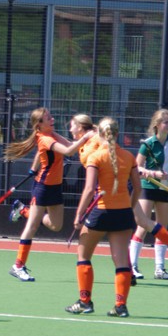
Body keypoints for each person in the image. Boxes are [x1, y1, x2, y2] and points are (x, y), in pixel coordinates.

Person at [68, 114, 168, 286]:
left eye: (72, 126)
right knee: (139, 224)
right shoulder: (86, 142)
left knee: (138, 225)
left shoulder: (95, 140)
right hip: (113, 193)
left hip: (115, 193)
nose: (69, 130)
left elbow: (72, 152)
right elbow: (69, 148)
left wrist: (149, 173)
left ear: (81, 127)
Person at [3, 107, 93, 282]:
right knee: (32, 227)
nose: (52, 120)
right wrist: (85, 138)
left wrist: (33, 168)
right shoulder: (45, 138)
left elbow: (68, 145)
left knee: (56, 225)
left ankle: (23, 210)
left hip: (55, 187)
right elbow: (68, 152)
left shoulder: (50, 134)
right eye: (48, 118)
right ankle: (18, 266)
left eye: (51, 117)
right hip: (43, 187)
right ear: (39, 124)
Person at [65, 117, 139, 317]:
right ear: (117, 134)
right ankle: (120, 306)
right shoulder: (129, 156)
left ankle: (84, 302)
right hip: (123, 213)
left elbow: (89, 189)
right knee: (121, 261)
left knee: (83, 255)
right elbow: (137, 188)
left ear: (99, 134)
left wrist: (79, 214)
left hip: (100, 212)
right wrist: (129, 208)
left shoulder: (95, 157)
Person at [129, 108, 168, 281]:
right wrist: (153, 174)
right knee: (143, 225)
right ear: (157, 124)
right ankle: (132, 266)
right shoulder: (148, 144)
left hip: (164, 189)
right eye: (165, 122)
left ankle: (160, 268)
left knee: (162, 229)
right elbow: (136, 167)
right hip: (147, 187)